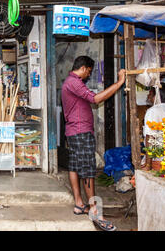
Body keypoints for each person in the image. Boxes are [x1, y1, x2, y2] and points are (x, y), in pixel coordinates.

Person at [61, 56, 125, 231]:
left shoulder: (71, 82)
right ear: (83, 68)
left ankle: (79, 204)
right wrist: (119, 83)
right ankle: (95, 210)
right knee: (88, 170)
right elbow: (96, 99)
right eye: (89, 71)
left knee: (74, 166)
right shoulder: (74, 82)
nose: (88, 75)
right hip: (80, 132)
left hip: (74, 132)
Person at [143, 83, 165, 148]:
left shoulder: (153, 111)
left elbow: (150, 137)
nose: (148, 96)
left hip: (159, 155)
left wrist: (148, 158)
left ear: (156, 96)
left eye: (150, 94)